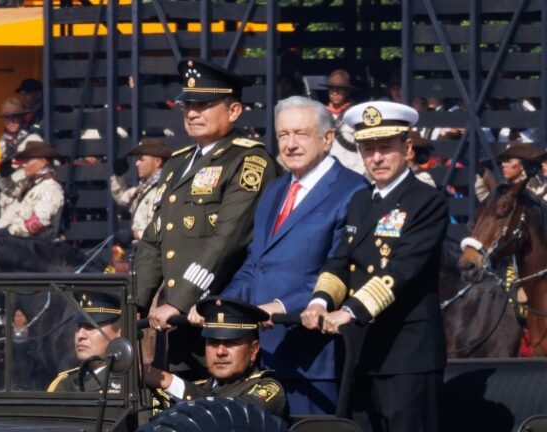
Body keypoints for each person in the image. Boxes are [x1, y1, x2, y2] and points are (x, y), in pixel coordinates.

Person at [216, 96, 368, 415]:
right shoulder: (275, 190)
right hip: (265, 357)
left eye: (301, 133)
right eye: (283, 135)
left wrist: (282, 306)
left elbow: (340, 269)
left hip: (313, 359)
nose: (291, 144)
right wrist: (224, 305)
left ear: (328, 138)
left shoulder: (352, 190)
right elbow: (255, 264)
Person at [301, 101, 448, 432]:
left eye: (385, 148)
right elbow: (340, 260)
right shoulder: (360, 200)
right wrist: (320, 301)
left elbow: (400, 270)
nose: (377, 158)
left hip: (408, 354)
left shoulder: (427, 202)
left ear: (407, 147)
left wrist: (348, 312)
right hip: (362, 350)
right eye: (368, 150)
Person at [134, 57, 278, 381]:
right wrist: (135, 304)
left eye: (205, 104)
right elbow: (155, 240)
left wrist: (182, 302)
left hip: (218, 320)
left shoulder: (248, 160)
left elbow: (226, 240)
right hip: (174, 322)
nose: (193, 112)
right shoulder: (177, 164)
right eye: (188, 105)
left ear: (234, 111)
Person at [144, 296, 287, 418]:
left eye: (231, 343)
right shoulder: (200, 386)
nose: (220, 351)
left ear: (254, 349)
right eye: (213, 342)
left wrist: (170, 382)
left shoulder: (268, 387)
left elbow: (235, 416)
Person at [47, 292, 123, 393]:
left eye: (91, 327)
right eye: (79, 327)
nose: (80, 335)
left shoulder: (127, 385)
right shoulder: (66, 383)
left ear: (119, 333)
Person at [0, 141, 65, 240]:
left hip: (39, 249)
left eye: (27, 161)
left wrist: (10, 232)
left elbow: (39, 222)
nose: (23, 165)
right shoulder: (32, 183)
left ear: (43, 162)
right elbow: (11, 192)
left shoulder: (50, 187)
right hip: (27, 244)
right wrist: (4, 176)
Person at [111, 138, 172, 241]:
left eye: (141, 159)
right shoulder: (145, 188)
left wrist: (136, 234)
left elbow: (161, 231)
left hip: (153, 253)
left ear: (157, 162)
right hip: (143, 252)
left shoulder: (163, 190)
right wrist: (118, 176)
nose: (137, 163)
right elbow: (122, 199)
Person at [0, 97, 44, 215]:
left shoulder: (33, 139)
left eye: (15, 118)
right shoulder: (3, 140)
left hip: (25, 195)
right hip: (7, 194)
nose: (11, 122)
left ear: (22, 118)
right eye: (7, 118)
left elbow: (42, 167)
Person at [323, 69, 365, 175]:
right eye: (331, 88)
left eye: (339, 89)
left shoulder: (356, 114)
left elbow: (363, 144)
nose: (335, 92)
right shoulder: (320, 114)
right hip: (326, 170)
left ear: (347, 91)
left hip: (353, 169)